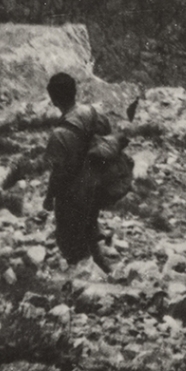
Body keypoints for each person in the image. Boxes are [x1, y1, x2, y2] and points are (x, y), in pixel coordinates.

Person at [43, 71, 115, 274]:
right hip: (96, 187)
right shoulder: (95, 114)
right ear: (75, 92)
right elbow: (109, 139)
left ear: (53, 99)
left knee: (69, 241)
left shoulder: (59, 135)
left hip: (72, 196)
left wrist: (49, 198)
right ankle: (106, 271)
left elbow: (57, 173)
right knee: (89, 229)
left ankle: (83, 281)